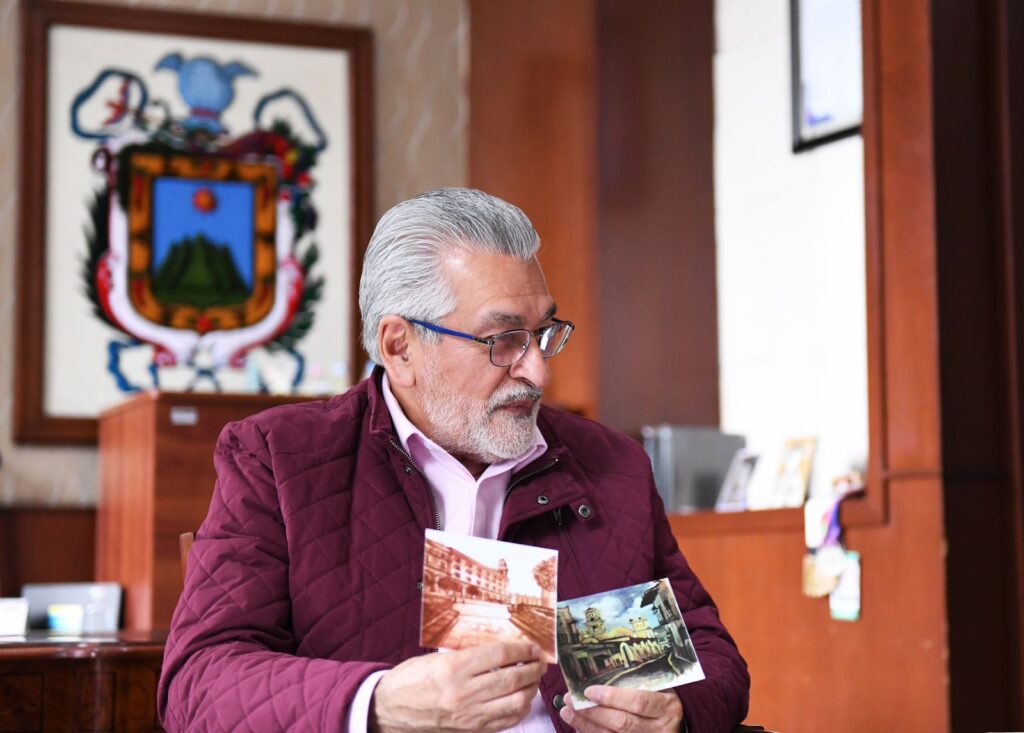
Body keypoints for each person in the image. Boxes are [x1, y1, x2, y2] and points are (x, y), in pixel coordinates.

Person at [158, 188, 749, 732]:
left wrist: (676, 714)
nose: (538, 371)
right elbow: (197, 684)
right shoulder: (280, 459)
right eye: (504, 340)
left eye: (543, 333)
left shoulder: (610, 465)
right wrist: (378, 702)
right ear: (400, 347)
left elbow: (712, 655)